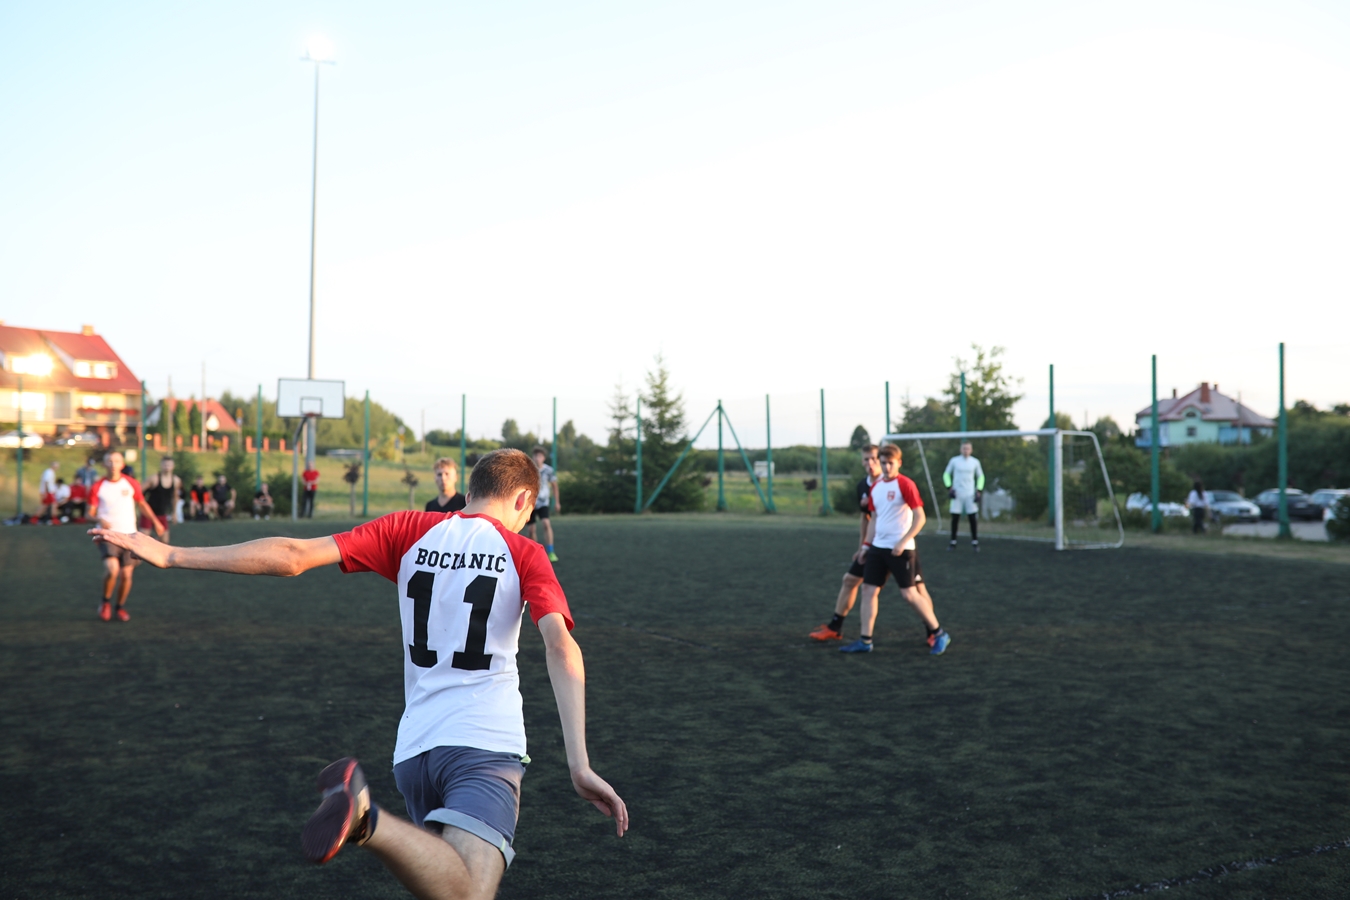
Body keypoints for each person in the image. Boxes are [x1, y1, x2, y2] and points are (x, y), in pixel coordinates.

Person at [91, 449, 627, 899]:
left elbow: (293, 555)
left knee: (451, 883)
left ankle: (369, 818)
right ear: (524, 500)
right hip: (483, 745)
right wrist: (579, 763)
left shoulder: (408, 530)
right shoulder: (525, 552)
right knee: (468, 894)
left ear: (468, 490)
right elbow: (561, 648)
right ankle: (366, 818)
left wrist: (170, 554)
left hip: (415, 752)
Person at [842, 443, 950, 655]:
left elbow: (920, 517)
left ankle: (939, 633)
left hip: (901, 550)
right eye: (883, 463)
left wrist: (903, 541)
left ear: (899, 463)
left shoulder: (905, 484)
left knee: (909, 594)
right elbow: (874, 518)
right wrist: (866, 546)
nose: (886, 467)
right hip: (878, 548)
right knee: (868, 591)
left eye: (890, 463)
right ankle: (865, 641)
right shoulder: (876, 487)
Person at [809, 444, 882, 641]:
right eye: (866, 459)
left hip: (894, 546)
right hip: (872, 546)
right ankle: (835, 627)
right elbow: (866, 518)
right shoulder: (862, 486)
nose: (870, 463)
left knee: (912, 591)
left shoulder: (890, 483)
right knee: (850, 580)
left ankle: (934, 632)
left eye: (874, 458)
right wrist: (862, 547)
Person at [90, 451, 164, 622]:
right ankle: (105, 602)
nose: (113, 464)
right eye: (109, 461)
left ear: (122, 464)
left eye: (117, 461)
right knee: (112, 570)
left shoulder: (131, 483)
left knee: (126, 575)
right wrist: (99, 519)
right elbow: (89, 512)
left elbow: (142, 504)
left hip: (130, 536)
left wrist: (155, 522)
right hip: (107, 535)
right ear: (104, 464)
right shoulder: (98, 486)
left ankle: (120, 607)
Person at [943, 441, 985, 552]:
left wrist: (978, 490)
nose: (966, 450)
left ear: (971, 450)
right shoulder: (954, 461)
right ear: (960, 449)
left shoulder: (975, 462)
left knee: (972, 518)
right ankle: (953, 542)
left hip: (970, 494)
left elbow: (981, 476)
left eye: (968, 448)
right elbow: (946, 474)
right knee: (955, 518)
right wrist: (949, 487)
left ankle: (975, 542)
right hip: (957, 493)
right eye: (964, 448)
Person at [524, 447, 559, 562]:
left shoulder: (548, 470)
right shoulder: (528, 470)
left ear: (543, 458)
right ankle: (536, 554)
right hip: (530, 503)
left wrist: (557, 502)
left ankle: (551, 551)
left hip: (543, 502)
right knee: (531, 530)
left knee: (546, 523)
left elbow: (554, 486)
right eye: (535, 456)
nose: (537, 458)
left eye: (539, 456)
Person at [143, 457, 181, 542]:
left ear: (173, 466)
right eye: (165, 465)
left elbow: (175, 497)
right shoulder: (154, 479)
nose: (167, 467)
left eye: (169, 465)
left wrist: (174, 512)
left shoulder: (176, 480)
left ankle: (153, 545)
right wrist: (141, 507)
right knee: (143, 539)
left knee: (165, 540)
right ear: (161, 465)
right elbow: (139, 492)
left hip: (162, 513)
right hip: (148, 513)